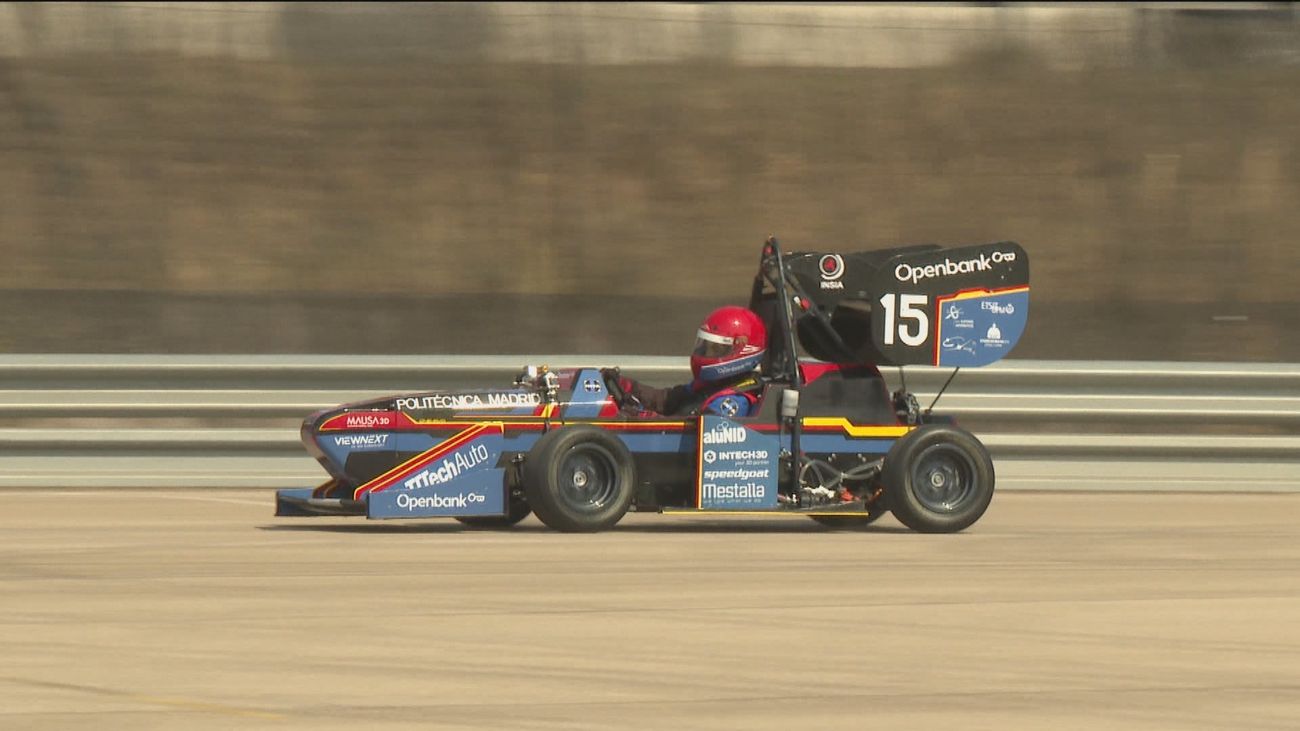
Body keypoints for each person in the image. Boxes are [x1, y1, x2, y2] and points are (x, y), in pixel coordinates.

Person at [603, 305, 767, 418]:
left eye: (714, 349)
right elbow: (666, 399)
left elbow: (689, 430)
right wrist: (627, 387)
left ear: (739, 350)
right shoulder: (711, 384)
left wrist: (641, 416)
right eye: (705, 346)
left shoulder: (733, 402)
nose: (705, 353)